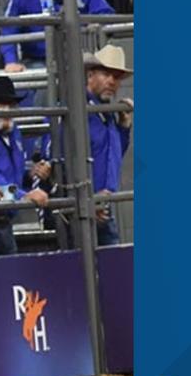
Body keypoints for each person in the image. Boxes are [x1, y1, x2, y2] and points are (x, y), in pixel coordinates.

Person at [42, 45, 132, 246]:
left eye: (116, 77)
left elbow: (112, 155)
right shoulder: (72, 110)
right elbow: (56, 158)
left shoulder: (107, 112)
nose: (112, 81)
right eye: (107, 74)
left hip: (102, 205)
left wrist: (124, 128)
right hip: (78, 209)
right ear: (90, 75)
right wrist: (86, 200)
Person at [0, 77, 52, 256]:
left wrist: (31, 174)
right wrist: (25, 195)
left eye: (10, 104)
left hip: (5, 221)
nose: (6, 109)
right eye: (0, 103)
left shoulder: (14, 133)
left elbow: (15, 174)